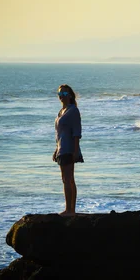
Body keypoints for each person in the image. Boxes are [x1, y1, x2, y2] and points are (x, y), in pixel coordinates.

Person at [53, 84, 83, 216]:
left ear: (70, 95)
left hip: (69, 148)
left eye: (64, 94)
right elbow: (58, 134)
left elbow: (76, 132)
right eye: (60, 94)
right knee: (65, 179)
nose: (61, 96)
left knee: (69, 178)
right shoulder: (61, 111)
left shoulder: (73, 110)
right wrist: (56, 150)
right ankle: (69, 209)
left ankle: (70, 210)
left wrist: (75, 151)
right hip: (61, 148)